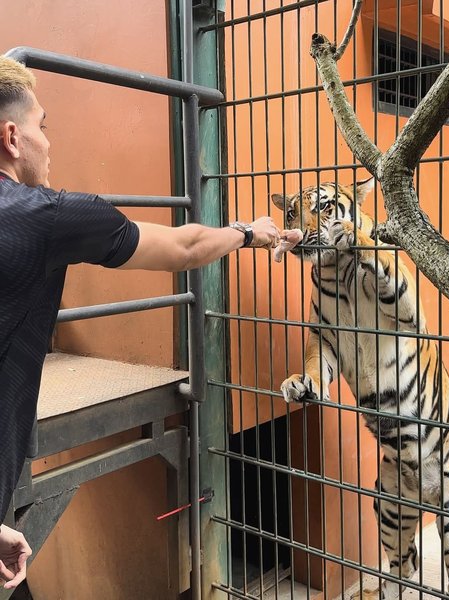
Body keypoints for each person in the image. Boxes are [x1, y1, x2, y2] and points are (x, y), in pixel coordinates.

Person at [0, 55, 281, 590]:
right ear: (12, 137)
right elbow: (185, 246)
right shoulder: (48, 215)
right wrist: (250, 231)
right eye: (43, 126)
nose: (50, 142)